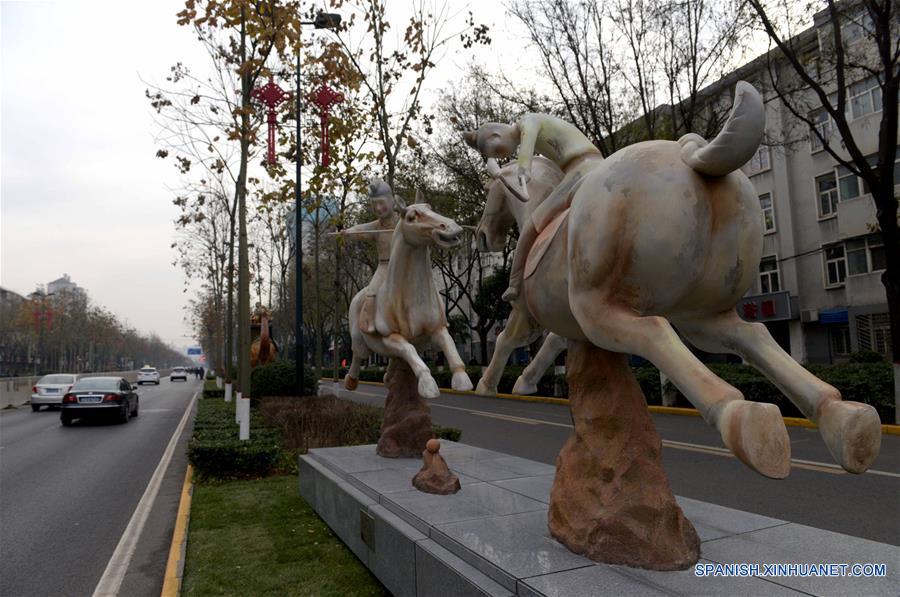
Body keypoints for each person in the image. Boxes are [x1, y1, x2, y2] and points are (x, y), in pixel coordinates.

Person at [464, 113, 603, 301]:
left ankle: (515, 283)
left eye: (497, 152)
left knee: (531, 227)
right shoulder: (539, 125)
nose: (503, 156)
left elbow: (527, 142)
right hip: (592, 165)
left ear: (495, 135)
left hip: (580, 170)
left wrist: (524, 167)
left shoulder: (528, 122)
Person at [339, 179, 399, 333]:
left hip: (404, 265)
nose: (378, 208)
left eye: (381, 203)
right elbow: (360, 229)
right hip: (385, 266)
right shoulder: (376, 226)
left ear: (392, 201)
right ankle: (370, 321)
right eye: (374, 205)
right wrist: (349, 232)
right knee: (371, 292)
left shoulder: (403, 221)